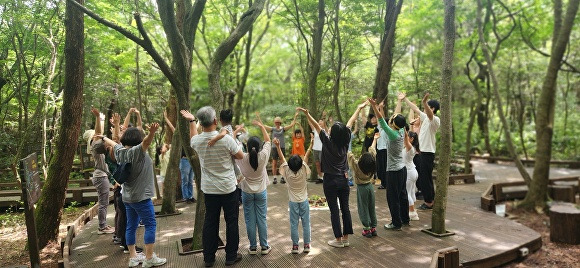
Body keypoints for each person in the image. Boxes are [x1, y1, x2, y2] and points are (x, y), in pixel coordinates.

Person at [181, 107, 244, 267]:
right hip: (229, 188)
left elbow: (193, 135)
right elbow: (240, 156)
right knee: (232, 221)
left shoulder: (197, 141)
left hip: (209, 190)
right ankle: (231, 256)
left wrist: (191, 121)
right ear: (215, 121)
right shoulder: (226, 139)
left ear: (201, 123)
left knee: (210, 221)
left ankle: (209, 257)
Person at [100, 122, 166, 268]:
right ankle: (149, 258)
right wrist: (152, 132)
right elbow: (147, 142)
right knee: (150, 224)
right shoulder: (137, 151)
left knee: (131, 226)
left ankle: (133, 257)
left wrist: (104, 137)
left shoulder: (121, 151)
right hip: (140, 197)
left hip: (127, 197)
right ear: (138, 139)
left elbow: (114, 143)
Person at [297, 107, 353, 248]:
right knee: (345, 208)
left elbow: (316, 125)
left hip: (330, 181)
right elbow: (349, 125)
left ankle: (338, 240)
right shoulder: (345, 143)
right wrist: (358, 109)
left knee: (334, 210)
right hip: (343, 180)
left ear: (333, 134)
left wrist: (308, 114)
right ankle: (346, 238)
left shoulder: (328, 142)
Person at [369, 97, 410, 231]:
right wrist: (399, 102)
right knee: (402, 195)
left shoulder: (392, 134)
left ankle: (396, 223)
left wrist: (374, 106)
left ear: (392, 123)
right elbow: (396, 117)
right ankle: (405, 219)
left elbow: (381, 120)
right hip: (402, 169)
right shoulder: (401, 130)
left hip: (393, 171)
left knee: (393, 198)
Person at [235, 118, 272, 255]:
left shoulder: (242, 157)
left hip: (246, 193)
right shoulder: (263, 155)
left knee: (250, 220)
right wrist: (262, 126)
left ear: (247, 146)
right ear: (259, 146)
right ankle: (264, 246)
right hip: (261, 192)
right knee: (261, 218)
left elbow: (232, 144)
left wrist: (237, 130)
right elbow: (268, 141)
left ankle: (252, 247)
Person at [346, 101, 378, 237]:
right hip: (370, 187)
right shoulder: (372, 166)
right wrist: (375, 139)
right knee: (371, 207)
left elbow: (349, 155)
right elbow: (372, 151)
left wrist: (346, 143)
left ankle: (366, 228)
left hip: (361, 189)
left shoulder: (357, 167)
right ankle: (374, 227)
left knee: (363, 208)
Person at [403, 93, 440, 210]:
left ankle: (429, 202)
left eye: (427, 106)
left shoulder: (435, 120)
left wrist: (425, 102)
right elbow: (416, 109)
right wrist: (405, 99)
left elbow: (429, 114)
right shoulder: (425, 119)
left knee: (425, 178)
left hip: (428, 153)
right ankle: (430, 200)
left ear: (432, 108)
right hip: (423, 152)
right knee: (425, 178)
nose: (424, 108)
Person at [276, 136, 313, 254]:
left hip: (293, 202)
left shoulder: (287, 171)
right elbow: (306, 157)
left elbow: (282, 159)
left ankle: (295, 246)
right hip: (304, 201)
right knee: (306, 223)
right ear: (300, 164)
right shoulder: (303, 169)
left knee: (294, 224)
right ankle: (307, 245)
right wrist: (311, 144)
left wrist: (277, 146)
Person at [87, 108, 115, 235]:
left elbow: (99, 132)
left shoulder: (96, 146)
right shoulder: (95, 145)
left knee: (104, 202)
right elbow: (99, 132)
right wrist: (98, 118)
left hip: (101, 176)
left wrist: (101, 119)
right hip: (100, 176)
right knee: (103, 203)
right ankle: (101, 227)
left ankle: (103, 225)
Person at [257, 112, 297, 184]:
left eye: (278, 122)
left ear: (280, 123)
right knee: (274, 162)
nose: (277, 123)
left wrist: (295, 116)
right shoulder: (272, 129)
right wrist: (258, 117)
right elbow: (263, 126)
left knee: (283, 162)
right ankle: (275, 178)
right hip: (274, 147)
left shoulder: (283, 129)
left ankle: (282, 177)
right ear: (274, 123)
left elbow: (292, 125)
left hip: (282, 147)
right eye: (276, 122)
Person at [404, 130, 420, 221]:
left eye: (406, 136)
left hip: (409, 172)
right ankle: (411, 211)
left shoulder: (410, 147)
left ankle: (413, 213)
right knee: (410, 192)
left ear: (412, 139)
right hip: (411, 171)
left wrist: (403, 130)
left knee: (407, 193)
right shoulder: (410, 147)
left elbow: (405, 139)